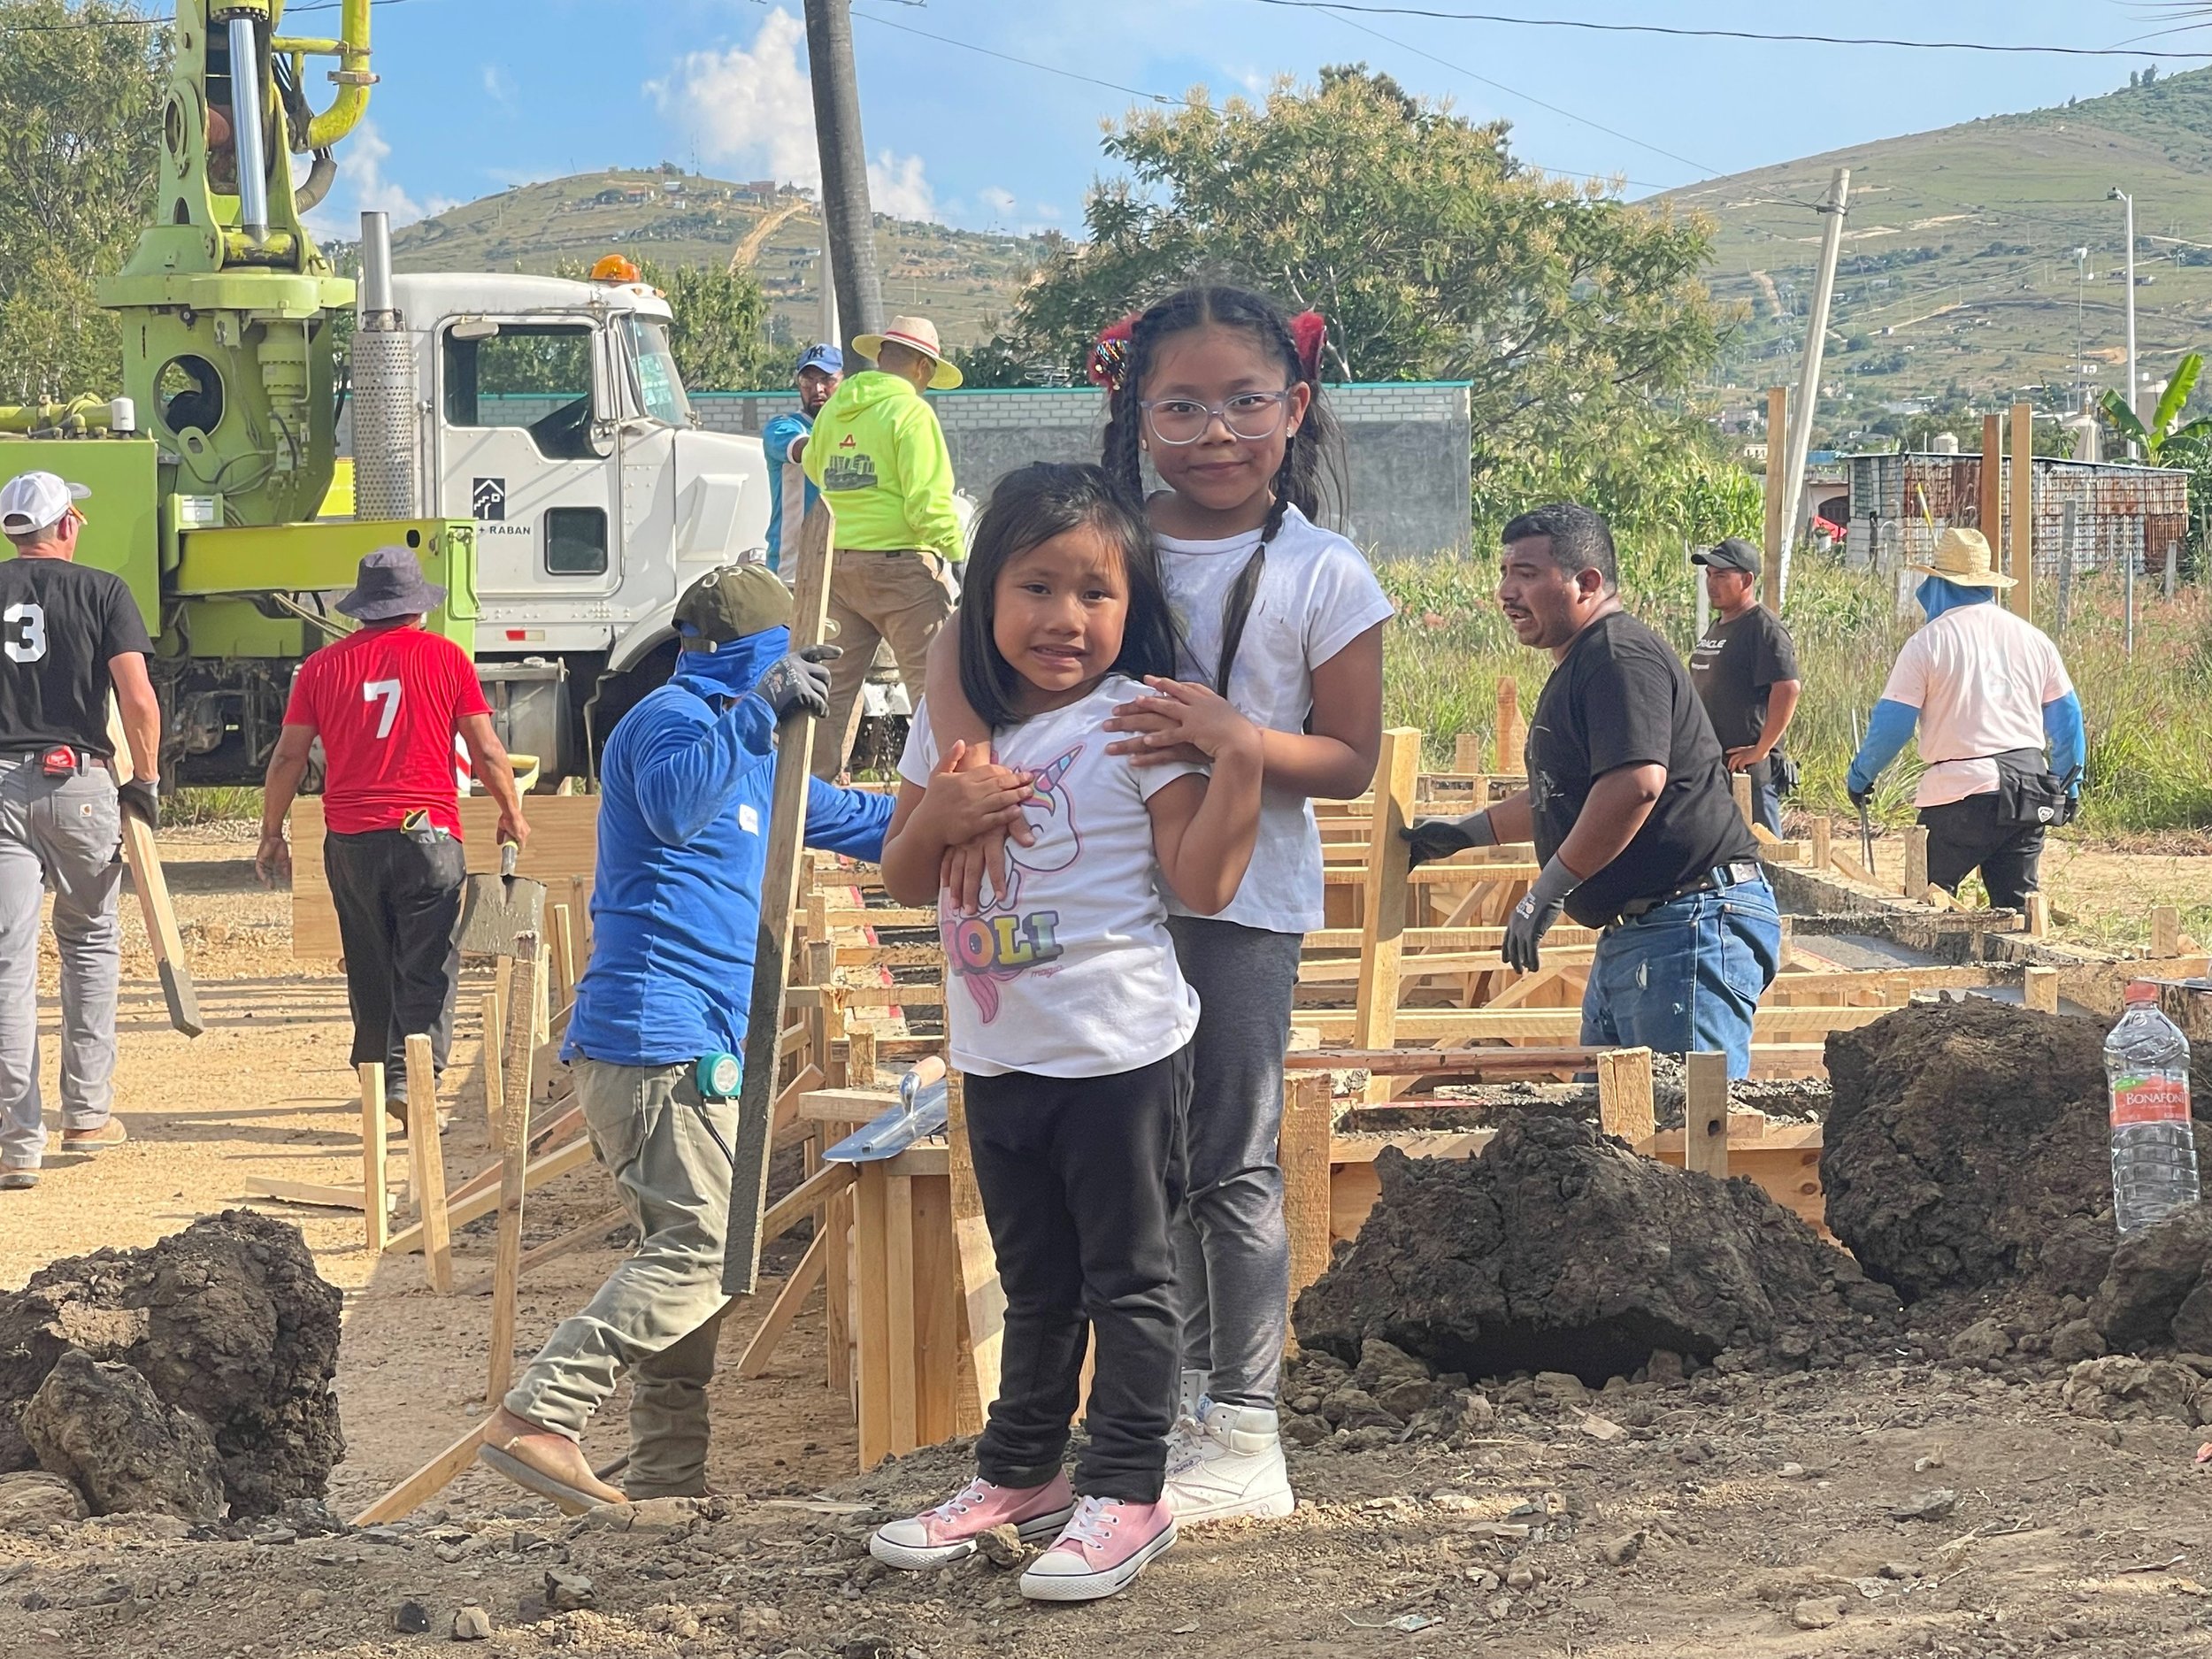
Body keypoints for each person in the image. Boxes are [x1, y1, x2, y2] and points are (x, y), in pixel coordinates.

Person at [925, 287, 1391, 1526]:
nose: (1215, 431)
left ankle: (1244, 1421)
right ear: (1136, 410)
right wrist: (969, 768)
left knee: (1226, 1158)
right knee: (1135, 1171)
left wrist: (1241, 738)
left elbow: (1351, 759)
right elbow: (967, 641)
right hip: (1092, 905)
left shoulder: (1319, 569)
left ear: (1294, 408)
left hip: (1236, 902)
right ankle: (1164, 1403)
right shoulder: (1105, 539)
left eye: (1245, 402)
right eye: (1179, 405)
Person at [871, 462, 1264, 1602]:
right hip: (998, 1059)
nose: (1065, 619)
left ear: (1129, 609)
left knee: (1129, 1280)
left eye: (1095, 594)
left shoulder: (1134, 730)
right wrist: (939, 814)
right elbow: (907, 878)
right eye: (1037, 588)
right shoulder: (957, 745)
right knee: (1037, 1280)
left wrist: (1235, 756)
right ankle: (1020, 1474)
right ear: (987, 600)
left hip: (1118, 1056)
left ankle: (1131, 1491)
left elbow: (1201, 879)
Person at [478, 563, 893, 1511]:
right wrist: (758, 710)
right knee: (704, 1250)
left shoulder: (758, 751)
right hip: (656, 1038)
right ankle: (541, 1415)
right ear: (759, 658)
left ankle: (667, 1484)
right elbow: (672, 804)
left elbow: (855, 819)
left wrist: (960, 812)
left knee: (687, 1258)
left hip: (689, 1041)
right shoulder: (671, 723)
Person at [1406, 503, 1780, 1079]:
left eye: (1526, 573)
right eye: (1504, 571)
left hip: (1689, 926)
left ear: (1587, 583)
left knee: (1677, 1137)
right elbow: (1566, 799)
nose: (1506, 590)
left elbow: (1634, 786)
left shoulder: (1617, 655)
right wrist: (1462, 835)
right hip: (1643, 935)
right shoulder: (1586, 663)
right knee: (1614, 1141)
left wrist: (1545, 891)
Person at [256, 548, 529, 1131]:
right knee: (427, 960)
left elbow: (288, 757)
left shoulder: (322, 668)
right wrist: (510, 810)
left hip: (352, 839)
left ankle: (378, 1072)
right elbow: (485, 749)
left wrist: (271, 831)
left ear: (362, 610)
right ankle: (414, 1079)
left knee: (369, 958)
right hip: (427, 835)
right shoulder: (446, 659)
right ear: (417, 610)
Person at [0, 471, 161, 1193]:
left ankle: (15, 1143)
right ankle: (88, 1115)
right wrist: (147, 779)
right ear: (63, 524)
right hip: (79, 782)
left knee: (8, 965)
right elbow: (137, 698)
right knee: (91, 940)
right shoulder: (103, 590)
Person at [1846, 526, 2083, 910]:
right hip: (2028, 791)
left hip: (1959, 797)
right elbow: (2067, 717)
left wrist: (1861, 775)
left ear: (1937, 583)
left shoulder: (1929, 642)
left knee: (1926, 909)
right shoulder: (2032, 638)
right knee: (2017, 912)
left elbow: (1894, 724)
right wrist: (2071, 783)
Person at [803, 314, 965, 779]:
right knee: (938, 694)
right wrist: (957, 554)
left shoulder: (836, 409)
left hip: (837, 569)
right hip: (902, 571)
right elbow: (926, 504)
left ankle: (803, 813)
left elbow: (815, 467)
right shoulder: (912, 413)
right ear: (922, 367)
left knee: (827, 698)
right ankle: (946, 808)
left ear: (880, 358)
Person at [1687, 536, 1801, 835]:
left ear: (1747, 579)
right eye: (1709, 575)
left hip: (1749, 774)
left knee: (1765, 857)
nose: (1711, 583)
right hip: (1715, 771)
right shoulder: (1719, 625)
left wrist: (1761, 749)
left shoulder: (1763, 628)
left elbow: (1788, 687)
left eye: (1722, 576)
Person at [761, 342, 842, 578]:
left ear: (843, 381)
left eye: (826, 379)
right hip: (793, 566)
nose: (817, 388)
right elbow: (805, 449)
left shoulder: (851, 429)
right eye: (808, 380)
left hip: (842, 563)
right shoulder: (783, 427)